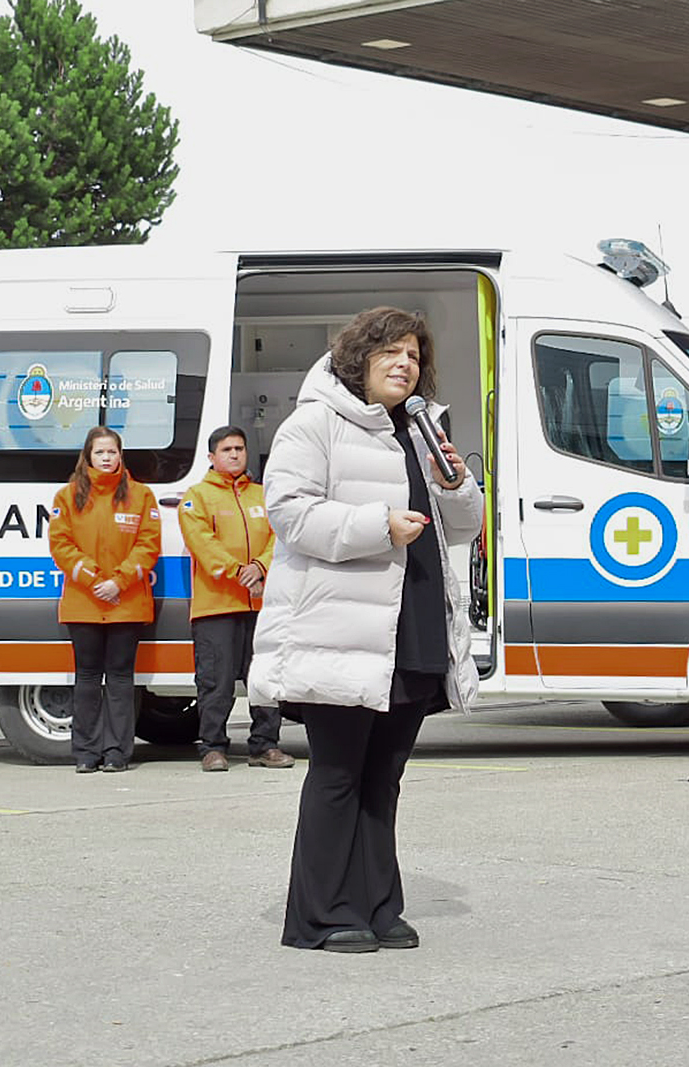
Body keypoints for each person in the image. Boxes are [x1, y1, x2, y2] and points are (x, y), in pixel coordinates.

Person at [250, 306, 482, 953]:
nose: (405, 363)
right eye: (391, 353)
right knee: (339, 772)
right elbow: (290, 513)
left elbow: (463, 522)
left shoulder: (423, 428)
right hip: (339, 624)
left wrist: (459, 485)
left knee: (385, 774)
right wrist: (377, 524)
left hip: (410, 624)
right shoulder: (314, 421)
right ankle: (322, 915)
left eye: (413, 354)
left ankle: (379, 905)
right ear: (360, 358)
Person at [178, 426, 293, 772]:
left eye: (239, 448)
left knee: (266, 678)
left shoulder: (263, 495)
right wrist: (239, 573)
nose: (234, 454)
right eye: (226, 449)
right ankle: (213, 747)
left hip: (262, 605)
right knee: (216, 682)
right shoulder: (196, 497)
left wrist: (260, 567)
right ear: (212, 457)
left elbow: (281, 536)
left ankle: (265, 745)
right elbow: (202, 543)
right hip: (217, 606)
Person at [48, 427, 161, 773]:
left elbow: (148, 545)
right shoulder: (67, 497)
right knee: (86, 680)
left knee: (120, 681)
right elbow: (61, 546)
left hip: (126, 603)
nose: (107, 458)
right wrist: (95, 579)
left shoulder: (142, 496)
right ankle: (85, 753)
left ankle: (116, 753)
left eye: (112, 452)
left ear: (120, 456)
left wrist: (119, 582)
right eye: (100, 453)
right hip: (84, 603)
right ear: (88, 456)